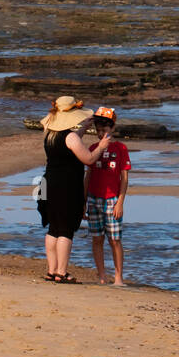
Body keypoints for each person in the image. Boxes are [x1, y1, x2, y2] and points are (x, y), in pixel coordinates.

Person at [37, 96, 113, 283]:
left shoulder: (49, 132)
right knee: (65, 230)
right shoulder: (70, 137)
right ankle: (61, 272)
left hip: (48, 183)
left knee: (53, 228)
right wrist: (101, 147)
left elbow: (69, 141)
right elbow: (88, 158)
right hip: (67, 185)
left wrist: (84, 127)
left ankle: (52, 270)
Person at [82, 107, 129, 285]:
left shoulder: (121, 148)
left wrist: (120, 202)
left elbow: (124, 178)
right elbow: (88, 175)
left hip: (112, 199)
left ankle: (118, 277)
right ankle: (102, 276)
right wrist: (83, 201)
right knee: (97, 238)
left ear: (113, 129)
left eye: (105, 130)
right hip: (94, 198)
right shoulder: (93, 148)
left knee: (115, 239)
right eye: (99, 130)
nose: (102, 133)